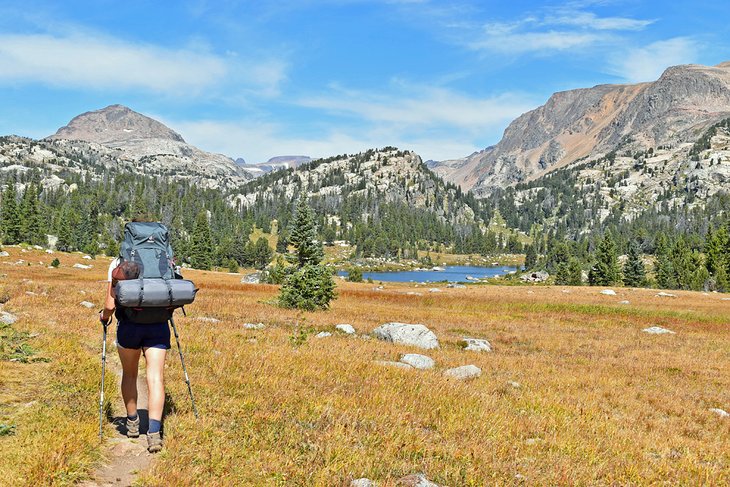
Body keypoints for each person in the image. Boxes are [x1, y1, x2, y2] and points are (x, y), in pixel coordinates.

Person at [100, 256, 170, 453]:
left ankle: (132, 423)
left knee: (130, 374)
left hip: (129, 327)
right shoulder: (164, 260)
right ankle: (154, 433)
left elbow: (110, 305)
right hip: (158, 326)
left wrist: (103, 317)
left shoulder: (118, 263)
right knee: (155, 378)